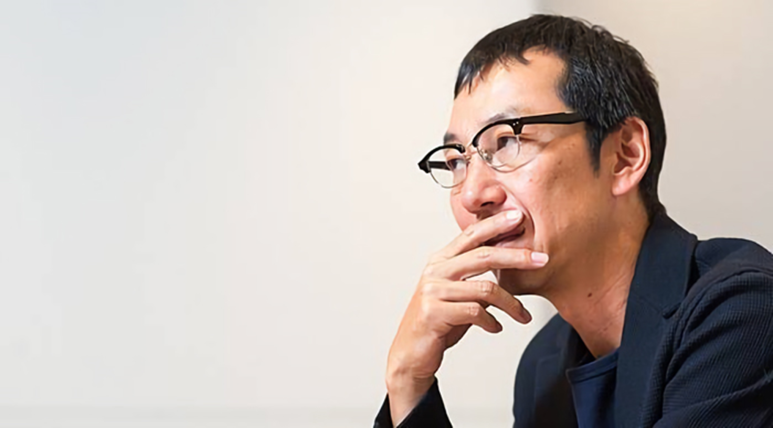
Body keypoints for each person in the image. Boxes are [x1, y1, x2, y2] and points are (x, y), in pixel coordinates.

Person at [373, 14, 773, 428]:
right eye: (457, 160)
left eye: (507, 140)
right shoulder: (543, 366)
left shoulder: (741, 310)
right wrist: (408, 382)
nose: (473, 195)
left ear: (625, 156)